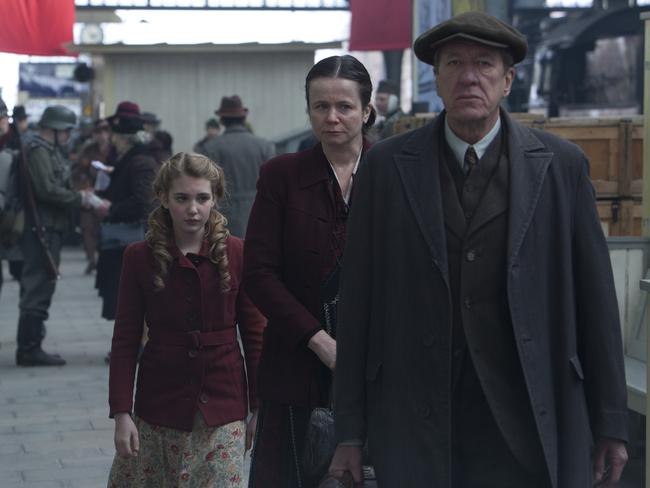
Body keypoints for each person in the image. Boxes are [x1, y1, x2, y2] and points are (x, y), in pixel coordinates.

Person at [329, 12, 629, 488]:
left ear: (507, 80)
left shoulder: (561, 167)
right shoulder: (386, 169)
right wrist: (348, 429)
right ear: (438, 78)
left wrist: (611, 420)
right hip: (418, 417)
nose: (470, 76)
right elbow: (358, 301)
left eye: (485, 65)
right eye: (455, 63)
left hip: (529, 416)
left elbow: (596, 300)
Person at [243, 54, 375, 488]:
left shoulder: (394, 173)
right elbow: (259, 273)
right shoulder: (281, 175)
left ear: (367, 111)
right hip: (294, 364)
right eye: (321, 107)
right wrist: (319, 341)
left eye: (344, 106)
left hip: (379, 367)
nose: (332, 117)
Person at [108, 152, 265, 487]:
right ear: (164, 198)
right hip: (159, 405)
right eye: (182, 198)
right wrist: (122, 412)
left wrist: (260, 408)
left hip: (223, 406)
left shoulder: (238, 253)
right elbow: (124, 339)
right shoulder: (139, 258)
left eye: (202, 198)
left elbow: (255, 336)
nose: (193, 209)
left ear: (216, 199)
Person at [15, 105, 85, 366]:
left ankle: (32, 345)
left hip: (49, 227)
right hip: (40, 229)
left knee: (44, 282)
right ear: (53, 129)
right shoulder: (39, 152)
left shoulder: (48, 151)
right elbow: (46, 190)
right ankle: (28, 348)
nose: (68, 136)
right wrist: (80, 199)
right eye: (66, 131)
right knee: (38, 284)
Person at [95, 101, 158, 322]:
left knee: (132, 297)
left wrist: (112, 208)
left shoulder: (140, 160)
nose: (111, 139)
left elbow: (143, 201)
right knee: (125, 296)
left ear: (123, 138)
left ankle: (136, 346)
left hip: (131, 236)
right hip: (124, 238)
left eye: (114, 135)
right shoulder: (130, 158)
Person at [198, 95, 275, 238]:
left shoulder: (211, 147)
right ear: (244, 118)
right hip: (260, 211)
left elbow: (205, 184)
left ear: (222, 120)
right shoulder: (264, 146)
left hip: (224, 214)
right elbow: (274, 184)